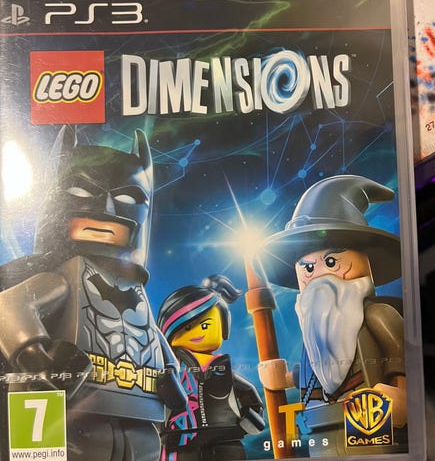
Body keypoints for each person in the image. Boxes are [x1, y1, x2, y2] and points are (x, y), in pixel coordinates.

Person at [0, 125, 186, 461]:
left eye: (126, 198)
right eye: (81, 191)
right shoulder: (61, 279)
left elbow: (153, 338)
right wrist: (38, 359)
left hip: (134, 414)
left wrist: (170, 375)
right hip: (57, 409)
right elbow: (9, 306)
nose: (107, 208)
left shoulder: (134, 289)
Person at [258, 174, 407, 456]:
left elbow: (399, 360)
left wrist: (402, 395)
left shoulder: (378, 316)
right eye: (308, 267)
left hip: (370, 430)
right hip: (320, 433)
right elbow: (322, 366)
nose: (318, 276)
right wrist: (285, 379)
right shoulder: (315, 329)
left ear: (365, 262)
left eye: (331, 261)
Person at [157, 274, 265, 461]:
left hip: (225, 441)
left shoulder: (222, 368)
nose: (197, 332)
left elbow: (250, 397)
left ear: (224, 324)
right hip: (181, 443)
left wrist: (248, 422)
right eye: (187, 328)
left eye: (206, 325)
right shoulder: (171, 369)